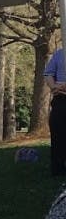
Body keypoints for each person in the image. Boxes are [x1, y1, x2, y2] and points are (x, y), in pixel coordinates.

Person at [45, 47, 66, 176]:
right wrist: (54, 86)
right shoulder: (59, 54)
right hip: (60, 99)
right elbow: (48, 73)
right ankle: (58, 168)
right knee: (58, 133)